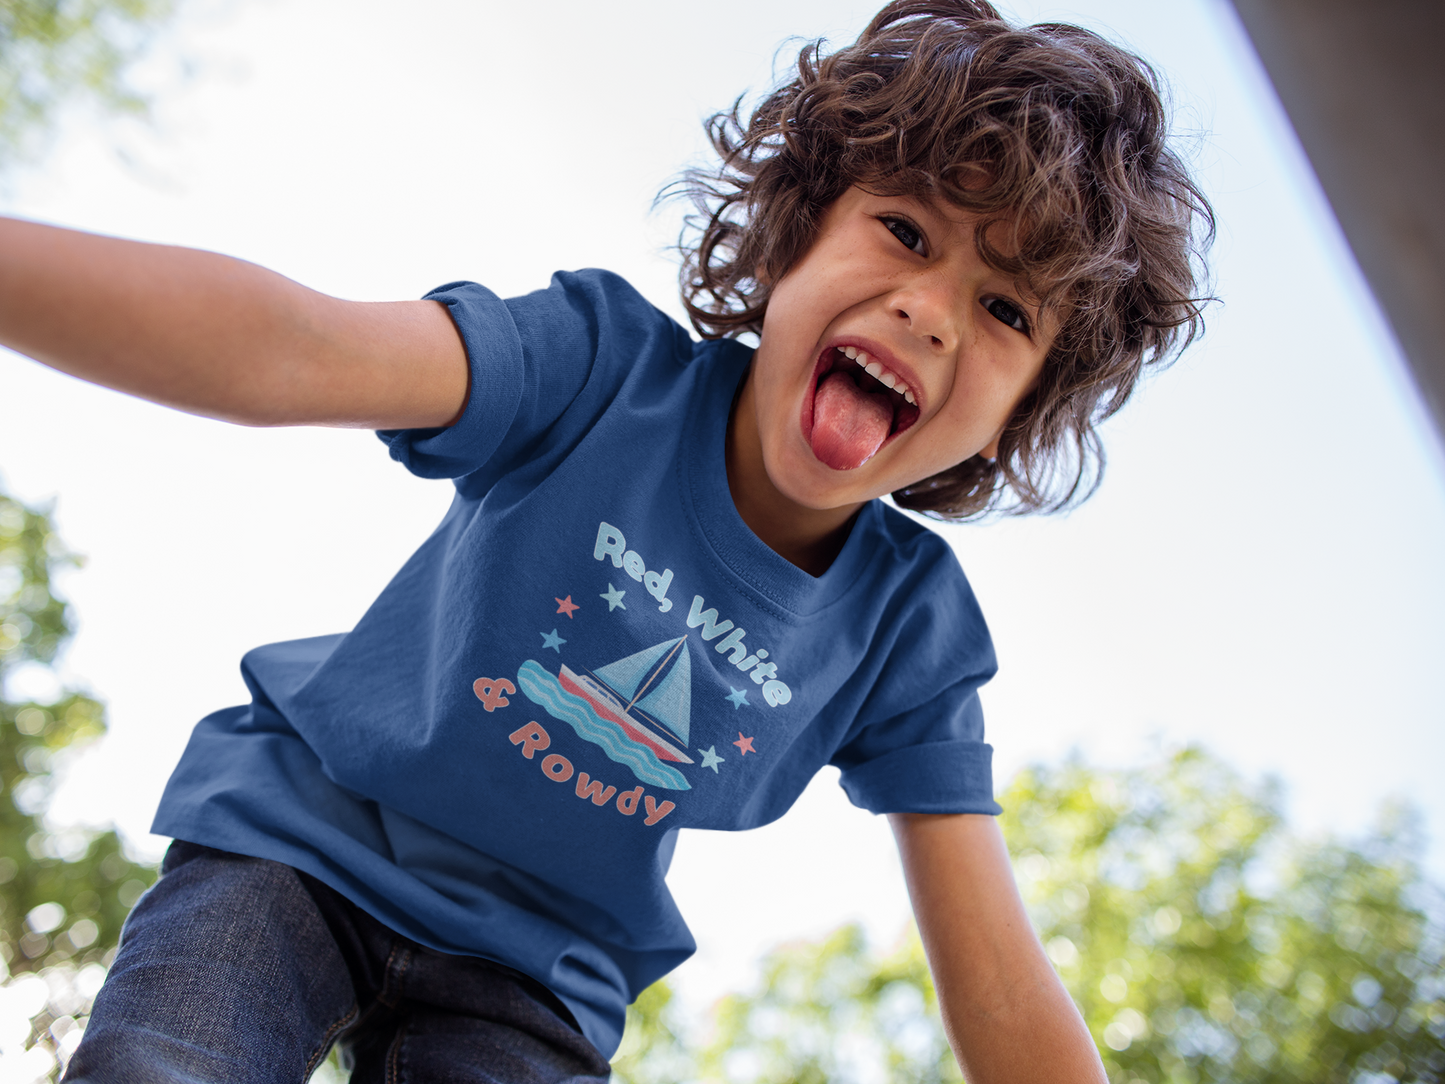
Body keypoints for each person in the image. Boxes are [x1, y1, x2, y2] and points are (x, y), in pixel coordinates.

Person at [0, 1, 1211, 1080]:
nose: (930, 311)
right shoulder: (595, 370)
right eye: (904, 229)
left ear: (1017, 413)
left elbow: (994, 980)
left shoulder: (906, 634)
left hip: (534, 979)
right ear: (794, 234)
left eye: (1004, 309)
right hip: (301, 844)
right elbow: (294, 348)